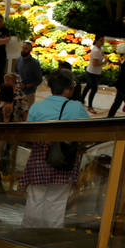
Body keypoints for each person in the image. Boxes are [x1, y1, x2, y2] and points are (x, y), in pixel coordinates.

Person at [22, 70, 90, 228]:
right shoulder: (76, 107)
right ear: (67, 89)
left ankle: (29, 233)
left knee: (35, 197)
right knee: (57, 200)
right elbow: (88, 130)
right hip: (65, 159)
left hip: (40, 157)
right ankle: (51, 235)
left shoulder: (37, 108)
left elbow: (27, 135)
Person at [15, 42, 43, 107]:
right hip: (19, 91)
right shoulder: (19, 60)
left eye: (26, 48)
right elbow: (16, 72)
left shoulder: (35, 63)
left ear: (30, 51)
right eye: (23, 48)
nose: (23, 50)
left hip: (29, 93)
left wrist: (26, 86)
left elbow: (39, 80)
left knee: (27, 113)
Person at [81, 35, 105, 111]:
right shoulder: (96, 51)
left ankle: (81, 99)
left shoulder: (100, 49)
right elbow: (95, 64)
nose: (102, 42)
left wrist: (101, 69)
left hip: (94, 72)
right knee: (93, 89)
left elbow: (99, 60)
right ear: (96, 40)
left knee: (88, 86)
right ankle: (90, 106)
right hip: (92, 73)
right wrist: (105, 63)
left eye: (103, 40)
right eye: (101, 40)